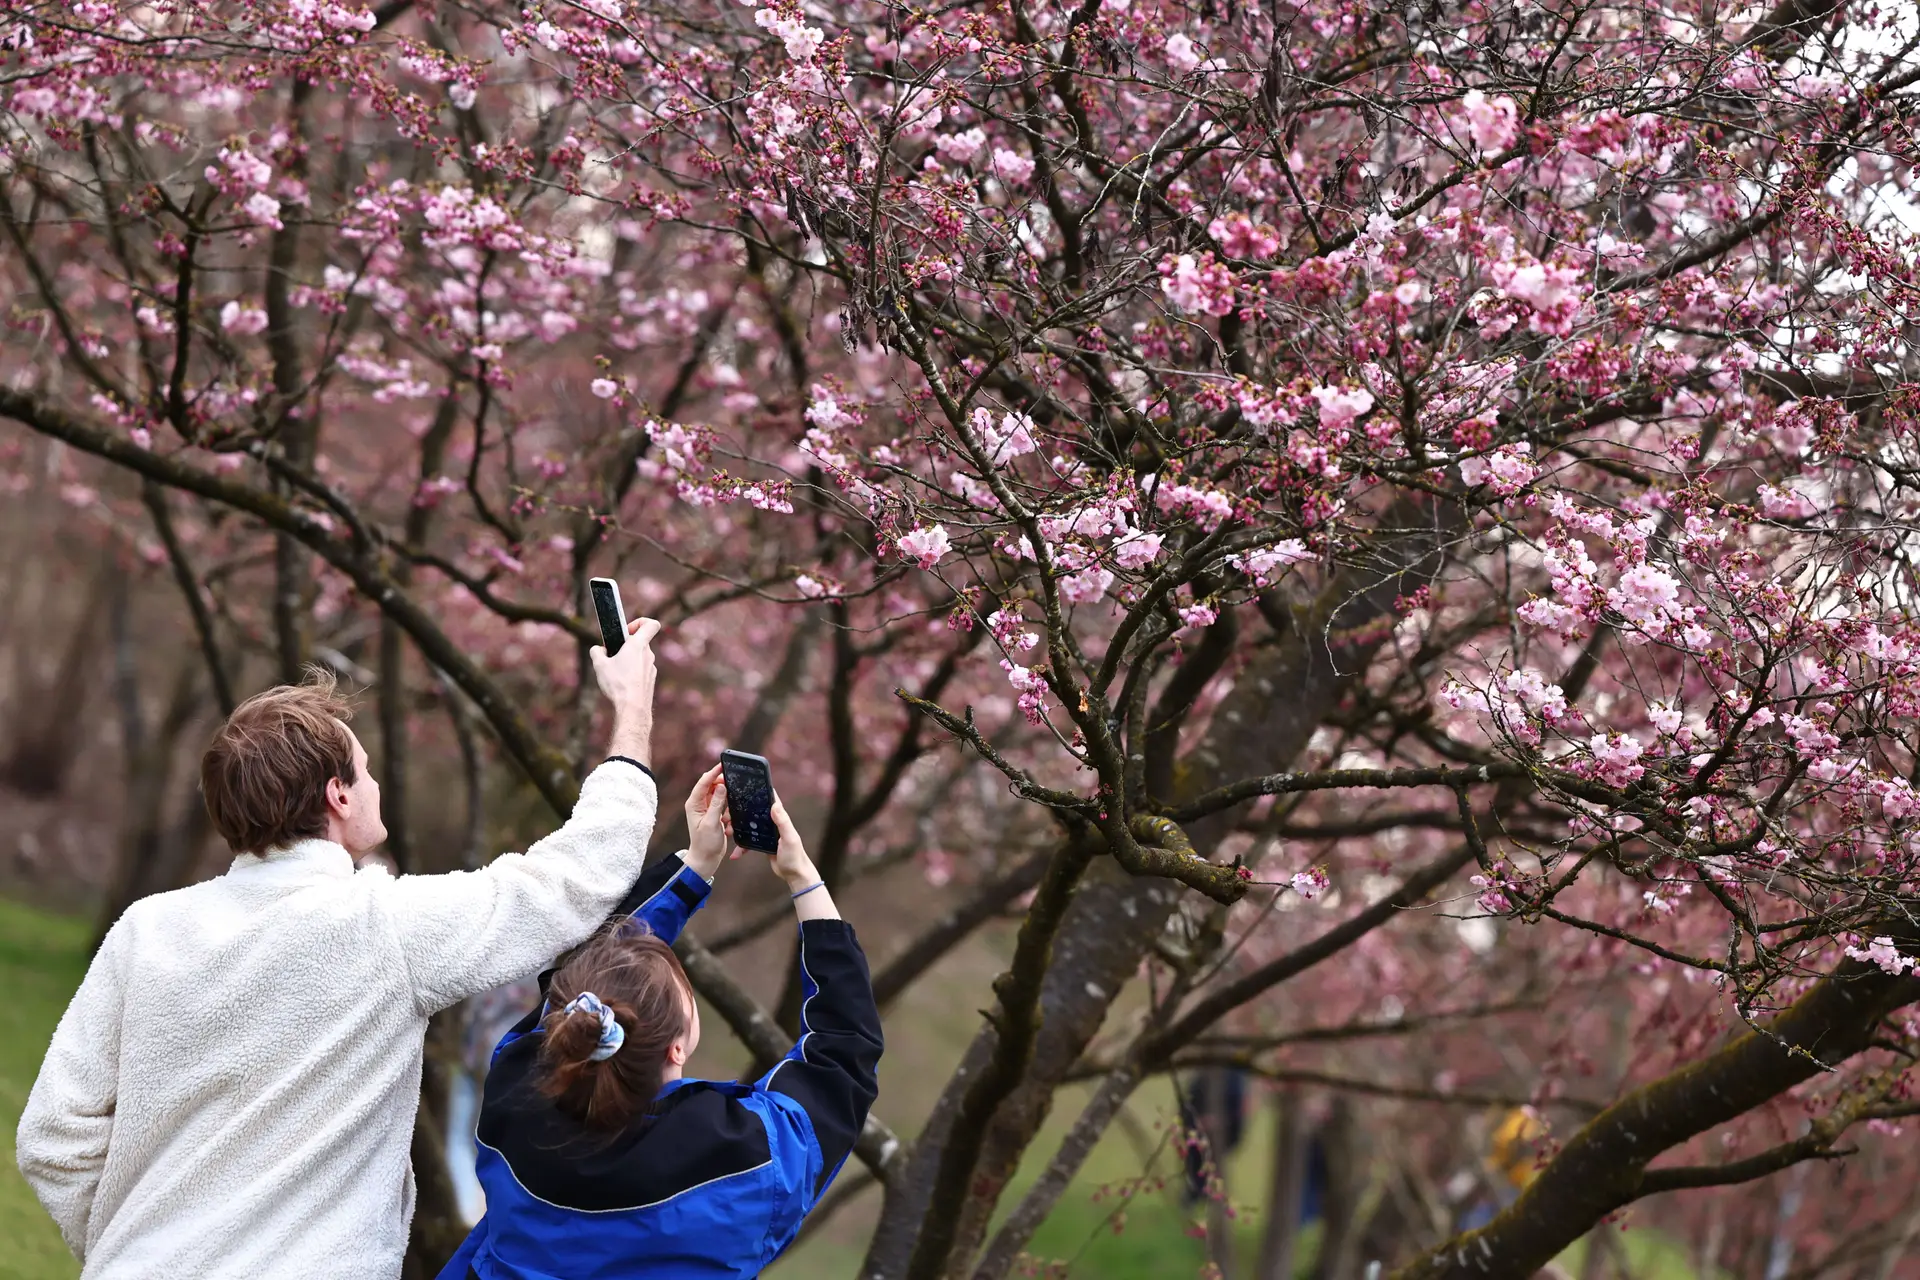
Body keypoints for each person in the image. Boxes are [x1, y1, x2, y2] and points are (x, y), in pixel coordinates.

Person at [17, 614, 667, 1280]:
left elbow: (53, 1139)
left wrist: (139, 1246)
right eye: (365, 770)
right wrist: (633, 716)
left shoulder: (145, 930)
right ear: (338, 795)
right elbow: (575, 879)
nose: (375, 783)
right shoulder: (385, 926)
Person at [438, 779, 882, 1280]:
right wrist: (802, 874)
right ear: (676, 1047)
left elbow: (592, 971)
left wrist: (696, 865)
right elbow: (842, 1056)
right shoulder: (741, 1162)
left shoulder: (518, 1083)